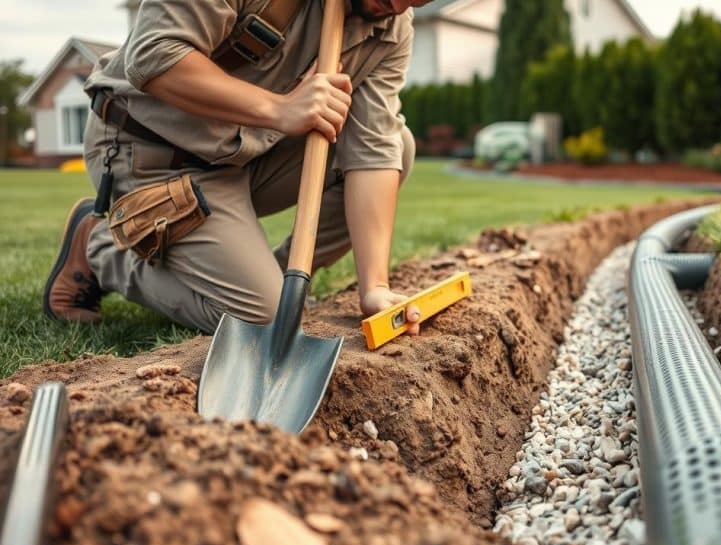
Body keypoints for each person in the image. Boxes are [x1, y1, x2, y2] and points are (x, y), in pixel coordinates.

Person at [43, 0, 432, 337]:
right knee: (263, 320)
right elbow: (153, 54)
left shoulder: (393, 28)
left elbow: (373, 148)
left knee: (399, 145)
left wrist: (375, 287)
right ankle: (100, 248)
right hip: (151, 150)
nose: (398, 8)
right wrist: (280, 109)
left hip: (243, 156)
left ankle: (273, 283)